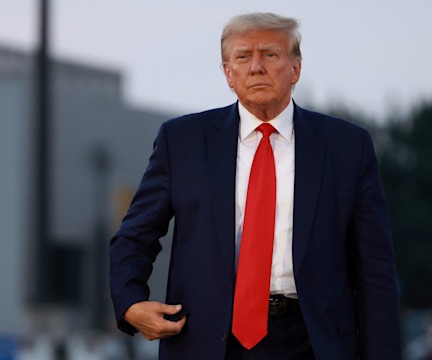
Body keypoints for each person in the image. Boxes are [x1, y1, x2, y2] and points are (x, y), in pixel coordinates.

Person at [109, 12, 401, 360]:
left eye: (270, 55)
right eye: (243, 57)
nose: (256, 67)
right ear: (228, 73)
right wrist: (129, 301)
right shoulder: (182, 141)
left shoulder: (347, 147)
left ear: (296, 69)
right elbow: (135, 235)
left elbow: (375, 270)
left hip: (315, 341)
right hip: (208, 340)